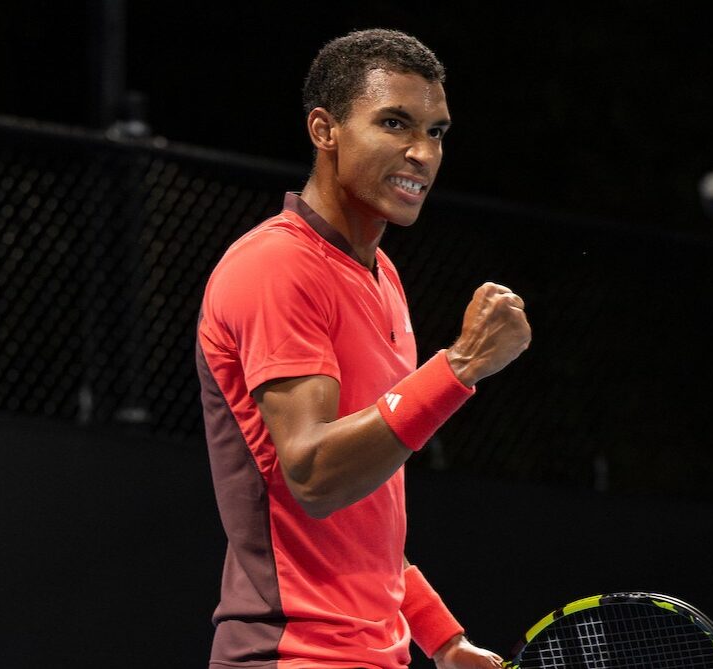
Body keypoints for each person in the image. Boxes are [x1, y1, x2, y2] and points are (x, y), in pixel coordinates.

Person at [196, 28, 531, 669]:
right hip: (290, 654)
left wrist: (442, 637)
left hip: (374, 655)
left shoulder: (383, 278)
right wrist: (459, 367)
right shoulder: (276, 267)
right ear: (325, 130)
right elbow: (315, 476)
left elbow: (363, 512)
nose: (421, 153)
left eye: (436, 132)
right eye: (395, 123)